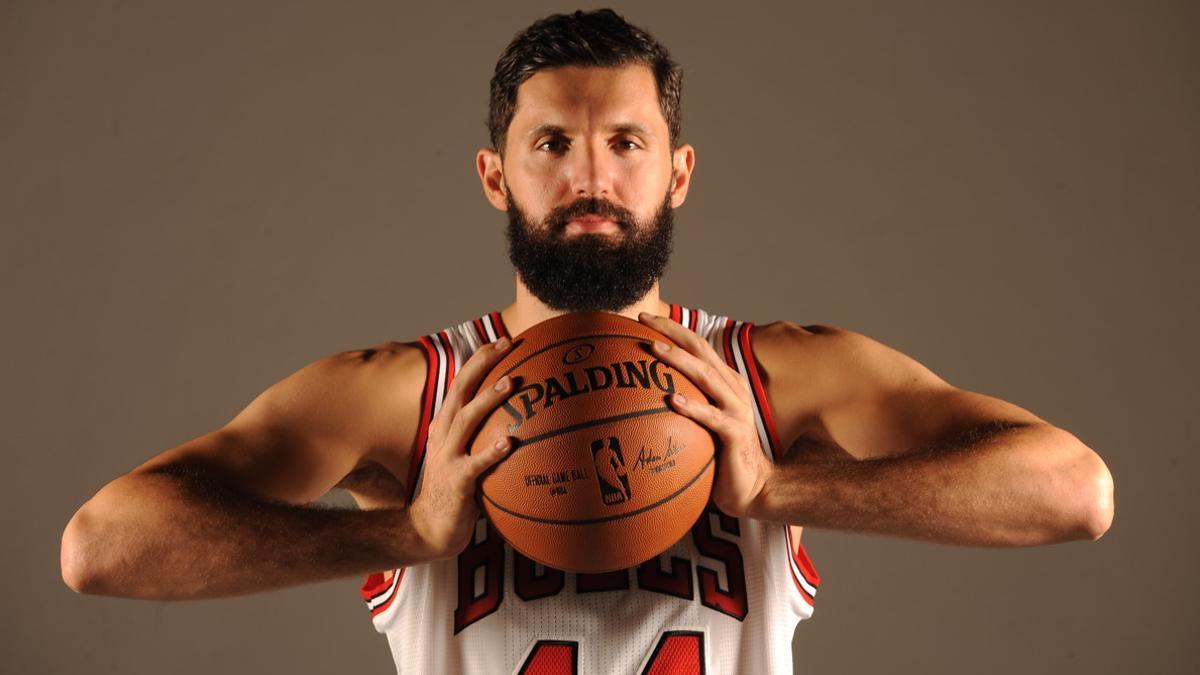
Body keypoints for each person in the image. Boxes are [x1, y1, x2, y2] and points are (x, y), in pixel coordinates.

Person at [59, 8, 1115, 674]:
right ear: (495, 175)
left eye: (626, 143)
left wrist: (780, 492)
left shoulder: (776, 380)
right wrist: (402, 536)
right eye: (552, 144)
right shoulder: (405, 396)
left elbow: (1072, 490)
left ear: (679, 171)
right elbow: (104, 547)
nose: (592, 179)